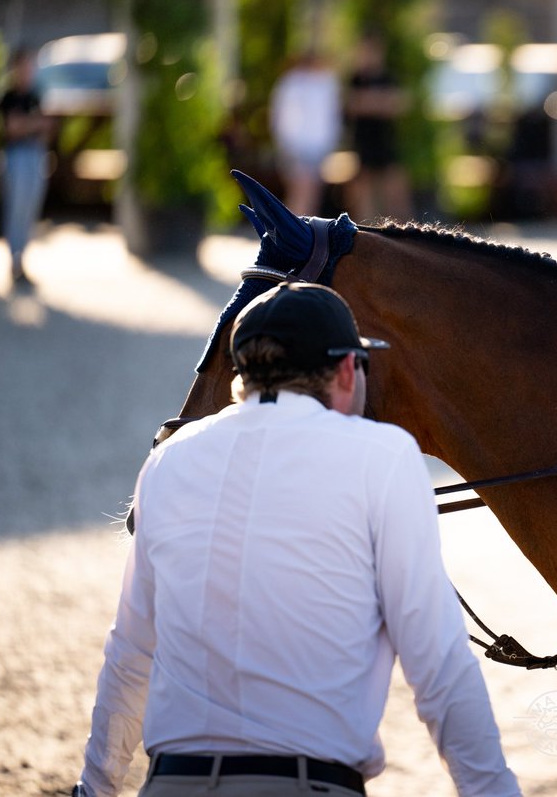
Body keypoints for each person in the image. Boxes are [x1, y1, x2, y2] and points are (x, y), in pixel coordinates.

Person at [72, 283, 520, 797]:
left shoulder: (169, 460)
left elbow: (130, 652)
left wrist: (94, 787)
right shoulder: (384, 455)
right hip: (308, 784)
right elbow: (439, 664)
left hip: (174, 782)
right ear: (349, 370)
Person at [0, 47, 54, 286]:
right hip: (16, 156)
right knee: (16, 208)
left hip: (34, 155)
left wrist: (28, 125)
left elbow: (48, 127)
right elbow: (12, 128)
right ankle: (14, 259)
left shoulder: (35, 95)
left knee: (30, 208)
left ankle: (23, 258)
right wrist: (33, 125)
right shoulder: (9, 97)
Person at [343, 33, 413, 221]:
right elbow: (351, 104)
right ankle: (368, 231)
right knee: (364, 192)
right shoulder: (356, 78)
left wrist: (368, 102)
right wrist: (379, 102)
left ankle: (402, 232)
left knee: (395, 191)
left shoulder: (387, 77)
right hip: (363, 142)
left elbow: (400, 104)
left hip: (385, 141)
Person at [269, 52, 342, 216]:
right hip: (297, 146)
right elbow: (282, 117)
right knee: (300, 190)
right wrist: (286, 144)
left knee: (312, 193)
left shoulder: (327, 82)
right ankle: (292, 231)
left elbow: (332, 116)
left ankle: (302, 231)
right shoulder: (292, 82)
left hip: (318, 147)